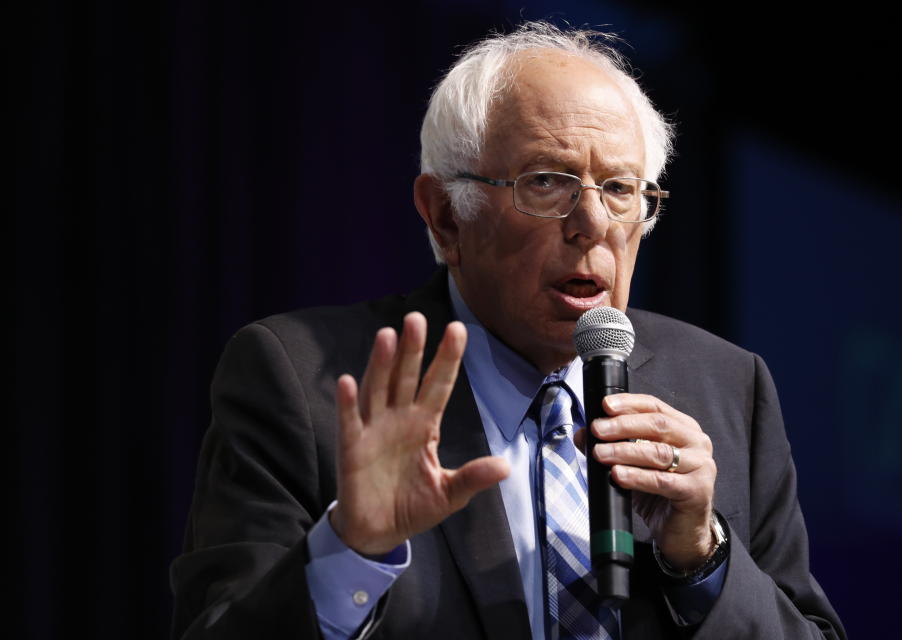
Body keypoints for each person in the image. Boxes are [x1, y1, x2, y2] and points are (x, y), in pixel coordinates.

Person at [170, 22, 845, 640]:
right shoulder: (303, 380)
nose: (592, 225)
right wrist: (349, 551)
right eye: (546, 182)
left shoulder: (726, 388)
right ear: (444, 217)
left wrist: (703, 561)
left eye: (619, 189)